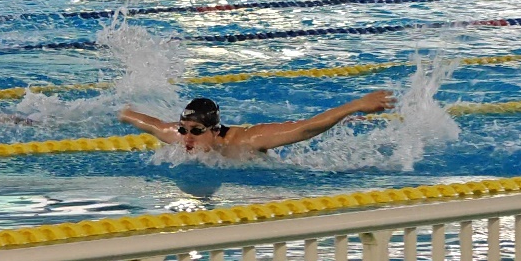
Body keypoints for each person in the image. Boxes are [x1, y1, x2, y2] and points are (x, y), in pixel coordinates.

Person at [118, 91, 396, 156]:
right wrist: (121, 110)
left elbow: (305, 128)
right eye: (183, 129)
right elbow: (148, 122)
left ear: (215, 130)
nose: (187, 138)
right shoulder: (177, 136)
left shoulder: (247, 140)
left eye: (196, 131)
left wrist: (356, 105)